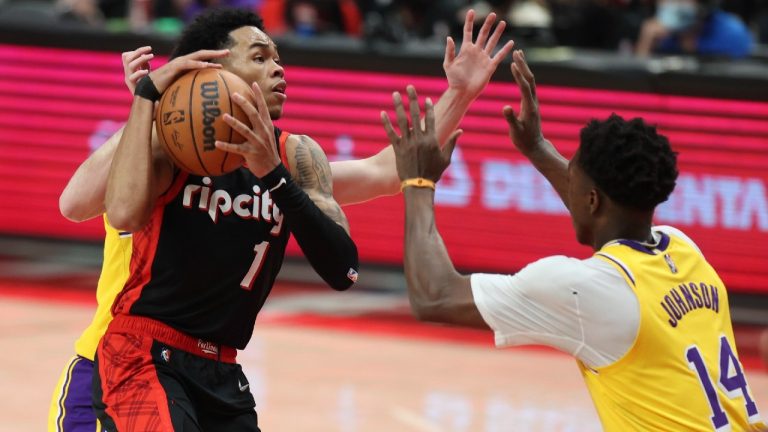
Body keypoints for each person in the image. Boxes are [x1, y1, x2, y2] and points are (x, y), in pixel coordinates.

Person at [48, 8, 513, 431]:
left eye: (278, 57)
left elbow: (383, 172)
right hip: (117, 361)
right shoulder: (161, 147)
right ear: (209, 69)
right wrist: (149, 104)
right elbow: (74, 204)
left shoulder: (290, 157)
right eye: (260, 56)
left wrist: (460, 93)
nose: (279, 67)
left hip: (218, 365)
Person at [381, 51, 766, 430]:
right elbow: (604, 210)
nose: (567, 179)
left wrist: (418, 181)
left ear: (593, 199)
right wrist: (536, 147)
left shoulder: (585, 292)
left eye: (573, 176)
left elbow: (435, 297)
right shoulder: (682, 249)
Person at [635, 0, 753, 58]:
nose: (672, 3)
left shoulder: (732, 33)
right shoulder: (659, 35)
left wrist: (691, 44)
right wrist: (646, 42)